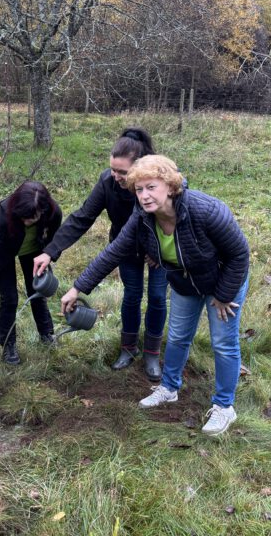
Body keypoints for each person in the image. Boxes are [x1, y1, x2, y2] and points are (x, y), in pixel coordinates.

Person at [61, 155, 250, 436]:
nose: (145, 196)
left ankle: (224, 406)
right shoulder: (142, 218)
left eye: (151, 187)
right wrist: (78, 288)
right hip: (186, 284)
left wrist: (223, 295)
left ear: (170, 187)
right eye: (139, 189)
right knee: (176, 337)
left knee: (222, 342)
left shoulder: (205, 210)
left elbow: (239, 254)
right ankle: (169, 388)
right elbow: (113, 252)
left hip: (222, 283)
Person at [32, 128, 168, 381]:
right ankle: (128, 349)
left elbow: (173, 220)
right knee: (132, 295)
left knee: (158, 298)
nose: (115, 176)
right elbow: (82, 217)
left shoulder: (157, 184)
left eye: (123, 172)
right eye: (113, 170)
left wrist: (159, 252)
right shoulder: (108, 182)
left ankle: (151, 353)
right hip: (124, 247)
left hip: (159, 250)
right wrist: (50, 251)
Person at [0, 181, 62, 365]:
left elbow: (56, 238)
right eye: (23, 217)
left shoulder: (53, 213)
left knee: (37, 292)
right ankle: (8, 345)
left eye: (32, 217)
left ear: (43, 209)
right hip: (5, 252)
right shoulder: (3, 214)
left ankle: (47, 333)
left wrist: (49, 254)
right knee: (10, 298)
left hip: (35, 252)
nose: (27, 221)